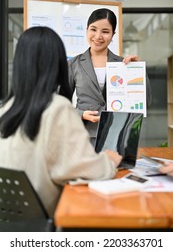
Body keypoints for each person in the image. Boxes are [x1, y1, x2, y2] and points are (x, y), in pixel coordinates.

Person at [0, 26, 122, 217]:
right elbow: (83, 167)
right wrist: (110, 161)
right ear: (56, 64)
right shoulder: (57, 108)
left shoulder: (5, 109)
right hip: (46, 223)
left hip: (11, 223)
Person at [68, 8, 152, 146]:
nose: (98, 36)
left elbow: (145, 102)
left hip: (117, 135)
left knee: (116, 168)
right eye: (93, 29)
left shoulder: (123, 64)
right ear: (87, 30)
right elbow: (60, 103)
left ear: (113, 34)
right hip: (82, 136)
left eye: (105, 31)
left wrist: (138, 71)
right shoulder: (73, 64)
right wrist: (81, 114)